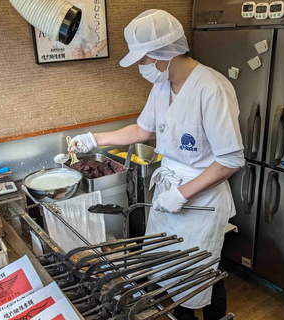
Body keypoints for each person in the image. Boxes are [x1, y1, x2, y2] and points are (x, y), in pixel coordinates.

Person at [69, 9, 245, 320]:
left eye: (143, 58)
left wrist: (182, 194)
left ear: (165, 52)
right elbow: (142, 130)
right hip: (169, 195)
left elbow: (230, 160)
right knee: (168, 269)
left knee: (198, 274)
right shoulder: (163, 84)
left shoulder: (211, 89)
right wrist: (95, 139)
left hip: (200, 199)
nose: (140, 65)